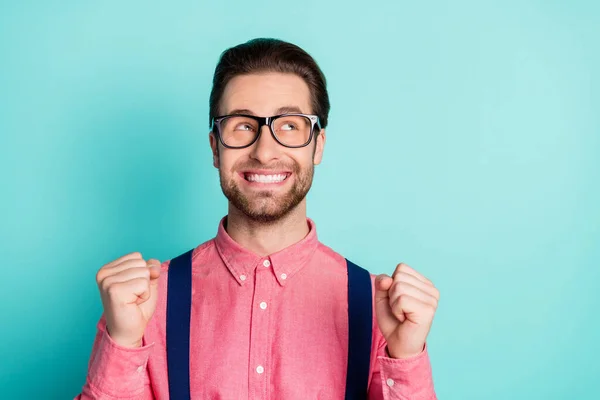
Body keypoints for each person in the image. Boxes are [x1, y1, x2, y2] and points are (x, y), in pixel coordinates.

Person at [75, 38, 439, 400]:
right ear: (216, 147)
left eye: (290, 126)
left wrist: (405, 356)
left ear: (319, 145)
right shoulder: (146, 304)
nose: (264, 152)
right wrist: (122, 344)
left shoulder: (380, 309)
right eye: (243, 126)